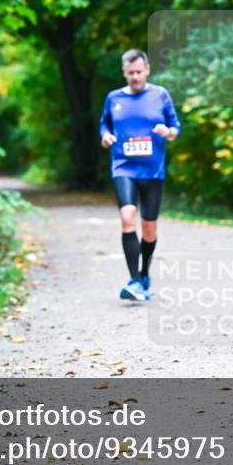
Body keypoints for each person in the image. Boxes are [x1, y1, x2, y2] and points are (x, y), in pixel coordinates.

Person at [99, 49, 181, 301]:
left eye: (139, 71)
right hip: (123, 166)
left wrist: (167, 132)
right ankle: (134, 280)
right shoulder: (113, 98)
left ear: (147, 69)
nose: (135, 77)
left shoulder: (160, 95)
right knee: (127, 216)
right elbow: (105, 123)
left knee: (148, 227)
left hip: (152, 170)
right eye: (130, 73)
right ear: (124, 73)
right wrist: (105, 136)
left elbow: (176, 128)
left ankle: (145, 276)